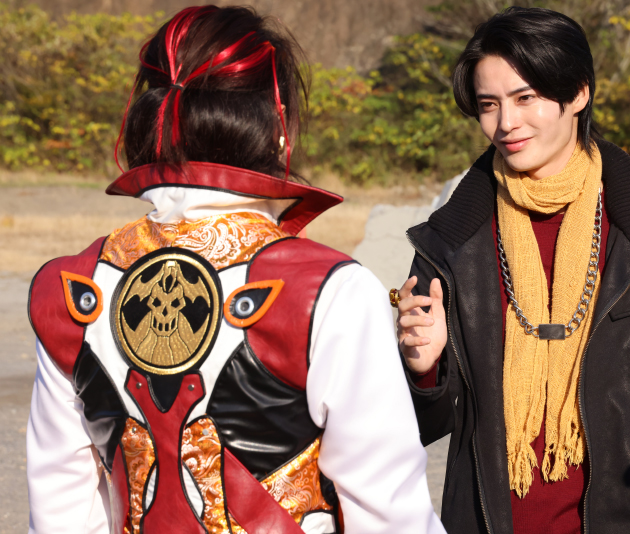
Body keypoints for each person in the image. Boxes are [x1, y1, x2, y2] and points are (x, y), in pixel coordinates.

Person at [26, 6, 446, 534]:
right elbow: (389, 514)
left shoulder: (71, 287)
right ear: (277, 126)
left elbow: (59, 507)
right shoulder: (328, 289)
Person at [393, 7, 630, 534]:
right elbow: (417, 428)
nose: (506, 123)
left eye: (525, 98)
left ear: (578, 94)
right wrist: (423, 370)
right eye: (488, 105)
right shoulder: (449, 247)